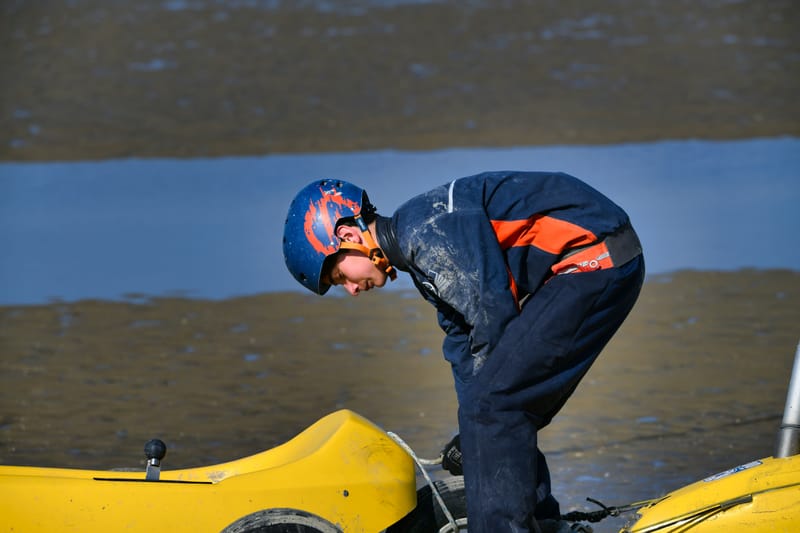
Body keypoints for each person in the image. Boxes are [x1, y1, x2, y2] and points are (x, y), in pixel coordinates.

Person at [282, 171, 644, 533]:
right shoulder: (419, 249)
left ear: (348, 236)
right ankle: (544, 524)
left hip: (596, 259)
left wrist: (480, 427)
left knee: (496, 407)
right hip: (586, 265)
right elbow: (463, 342)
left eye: (338, 276)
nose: (349, 290)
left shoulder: (424, 233)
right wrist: (471, 436)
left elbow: (493, 316)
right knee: (493, 410)